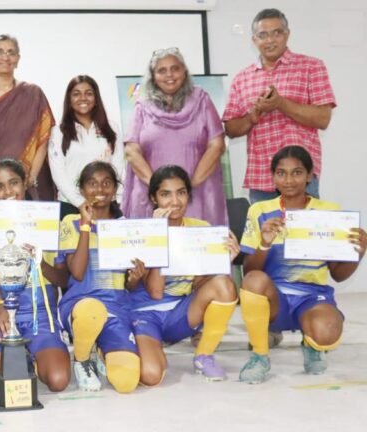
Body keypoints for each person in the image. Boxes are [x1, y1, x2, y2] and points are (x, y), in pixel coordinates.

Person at [237, 146, 366, 384]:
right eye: (281, 173)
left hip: (312, 297)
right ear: (273, 176)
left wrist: (358, 253)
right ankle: (260, 356)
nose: (288, 180)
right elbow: (249, 271)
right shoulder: (260, 211)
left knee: (326, 333)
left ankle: (312, 342)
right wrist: (264, 244)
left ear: (309, 175)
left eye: (297, 172)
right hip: (273, 297)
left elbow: (338, 275)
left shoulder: (328, 213)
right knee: (253, 281)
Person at [130, 165, 239, 385]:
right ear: (153, 198)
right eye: (165, 194)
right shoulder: (142, 231)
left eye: (181, 193)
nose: (175, 201)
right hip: (146, 314)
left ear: (188, 195)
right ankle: (146, 346)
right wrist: (160, 233)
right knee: (151, 375)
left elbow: (198, 282)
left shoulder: (200, 228)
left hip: (180, 313)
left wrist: (223, 261)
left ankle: (204, 355)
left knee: (224, 285)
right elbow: (156, 292)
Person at [223, 8, 336, 203]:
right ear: (254, 40)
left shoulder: (311, 66)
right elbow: (231, 129)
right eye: (263, 35)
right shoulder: (242, 78)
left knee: (302, 233)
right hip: (261, 179)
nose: (270, 40)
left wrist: (280, 103)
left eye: (277, 33)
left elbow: (323, 119)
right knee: (263, 233)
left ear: (287, 34)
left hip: (301, 178)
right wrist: (252, 116)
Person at [0, 159, 70, 394]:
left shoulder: (48, 224)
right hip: (3, 315)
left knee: (59, 381)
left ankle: (35, 355)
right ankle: (21, 356)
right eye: (0, 187)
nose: (8, 191)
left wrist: (40, 262)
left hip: (41, 316)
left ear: (26, 183)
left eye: (14, 183)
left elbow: (63, 280)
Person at [55, 161, 139, 393]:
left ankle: (101, 348)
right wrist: (85, 226)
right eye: (92, 184)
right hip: (80, 305)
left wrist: (136, 277)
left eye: (106, 183)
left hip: (116, 307)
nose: (99, 189)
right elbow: (78, 272)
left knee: (126, 382)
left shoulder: (126, 228)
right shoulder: (70, 223)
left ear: (115, 189)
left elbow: (130, 285)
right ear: (81, 190)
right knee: (92, 311)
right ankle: (82, 359)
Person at [0, 33, 55, 241]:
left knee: (31, 241)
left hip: (25, 183)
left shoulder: (33, 93)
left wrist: (29, 177)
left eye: (11, 52)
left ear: (18, 59)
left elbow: (42, 139)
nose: (5, 57)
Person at [123, 47, 227, 226]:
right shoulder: (142, 105)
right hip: (152, 197)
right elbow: (132, 150)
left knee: (198, 247)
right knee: (153, 250)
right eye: (161, 70)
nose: (169, 75)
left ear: (184, 72)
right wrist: (159, 190)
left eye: (175, 68)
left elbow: (216, 145)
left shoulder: (202, 100)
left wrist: (186, 189)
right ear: (153, 76)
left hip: (197, 192)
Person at [48, 75, 118, 219]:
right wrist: (80, 202)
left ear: (96, 98)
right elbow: (58, 173)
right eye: (76, 94)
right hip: (70, 205)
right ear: (69, 100)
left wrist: (111, 198)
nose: (83, 98)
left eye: (89, 93)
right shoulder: (58, 132)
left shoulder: (111, 128)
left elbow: (118, 167)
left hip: (105, 204)